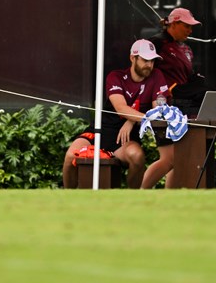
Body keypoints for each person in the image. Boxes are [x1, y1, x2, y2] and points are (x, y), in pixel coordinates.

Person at [62, 39, 169, 189]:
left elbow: (159, 110)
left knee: (137, 157)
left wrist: (132, 121)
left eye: (152, 61)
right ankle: (68, 197)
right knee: (70, 156)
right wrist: (140, 118)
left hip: (126, 139)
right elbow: (121, 108)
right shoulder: (116, 76)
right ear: (133, 58)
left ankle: (133, 200)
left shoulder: (156, 75)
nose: (149, 65)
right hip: (101, 131)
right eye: (145, 60)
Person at [144, 7, 204, 188]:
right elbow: (144, 72)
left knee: (179, 159)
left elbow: (186, 77)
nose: (190, 30)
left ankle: (169, 199)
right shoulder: (155, 43)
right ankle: (139, 193)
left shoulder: (186, 48)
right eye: (186, 26)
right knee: (170, 158)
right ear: (174, 24)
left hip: (184, 106)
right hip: (165, 106)